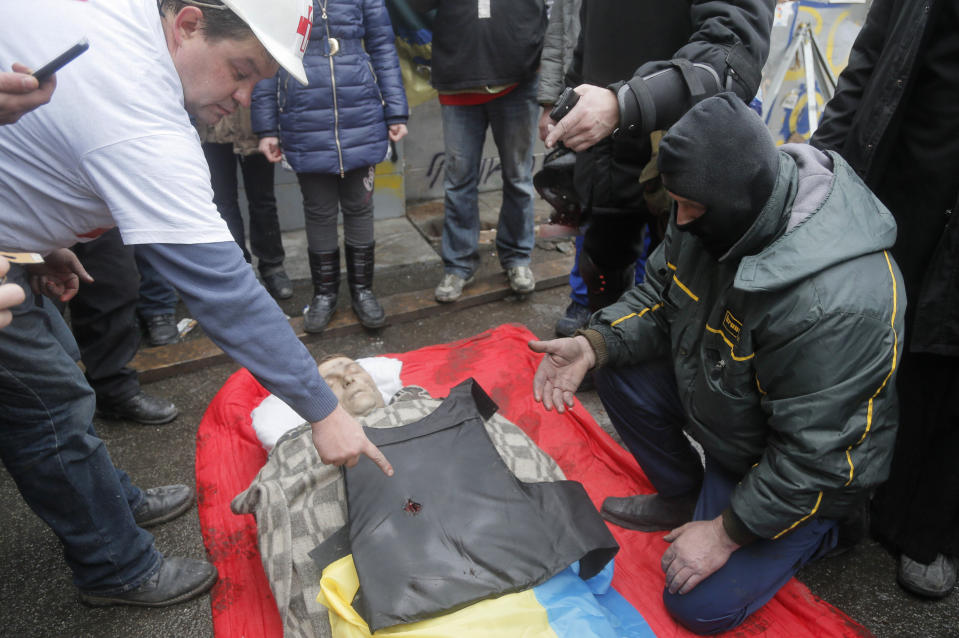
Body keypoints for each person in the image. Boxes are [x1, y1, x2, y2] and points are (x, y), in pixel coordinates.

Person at [0, 0, 392, 609]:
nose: (244, 96)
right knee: (49, 407)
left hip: (13, 251)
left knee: (60, 376)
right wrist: (324, 412)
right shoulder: (137, 109)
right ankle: (116, 567)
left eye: (259, 81)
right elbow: (224, 290)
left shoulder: (121, 20)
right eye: (241, 70)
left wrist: (39, 244)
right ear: (187, 25)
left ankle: (110, 501)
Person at [530, 94, 904, 634]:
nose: (679, 221)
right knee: (609, 359)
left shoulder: (841, 302)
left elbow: (814, 456)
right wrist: (594, 344)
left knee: (698, 606)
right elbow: (658, 296)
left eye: (690, 209)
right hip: (737, 408)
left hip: (805, 467)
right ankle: (686, 496)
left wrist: (726, 533)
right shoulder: (710, 205)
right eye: (675, 204)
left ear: (740, 199)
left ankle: (834, 526)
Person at [811, 0, 959, 599]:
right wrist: (821, 161)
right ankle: (844, 493)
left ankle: (929, 530)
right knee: (869, 338)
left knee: (948, 364)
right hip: (901, 179)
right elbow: (868, 62)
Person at [541, 0, 775, 333]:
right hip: (606, 141)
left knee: (679, 279)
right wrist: (566, 101)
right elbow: (589, 41)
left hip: (684, 137)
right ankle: (603, 334)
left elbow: (730, 52)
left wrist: (628, 101)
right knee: (603, 258)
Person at [252, 0, 409, 334]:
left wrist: (395, 110)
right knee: (319, 212)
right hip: (303, 116)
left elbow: (382, 45)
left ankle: (363, 292)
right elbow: (267, 54)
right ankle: (324, 294)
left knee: (360, 207)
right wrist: (266, 127)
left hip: (361, 113)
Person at [410, 0, 546, 303]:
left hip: (518, 79)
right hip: (459, 80)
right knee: (458, 182)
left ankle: (517, 258)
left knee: (518, 177)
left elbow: (553, 13)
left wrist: (545, 64)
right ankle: (459, 265)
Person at [70, 229, 179, 425]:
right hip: (22, 215)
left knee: (114, 280)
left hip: (93, 208)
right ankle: (49, 405)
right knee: (39, 308)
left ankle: (114, 390)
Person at [197, 104, 294, 302]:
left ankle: (272, 265)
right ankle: (239, 269)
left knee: (263, 200)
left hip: (254, 123)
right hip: (212, 124)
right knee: (223, 203)